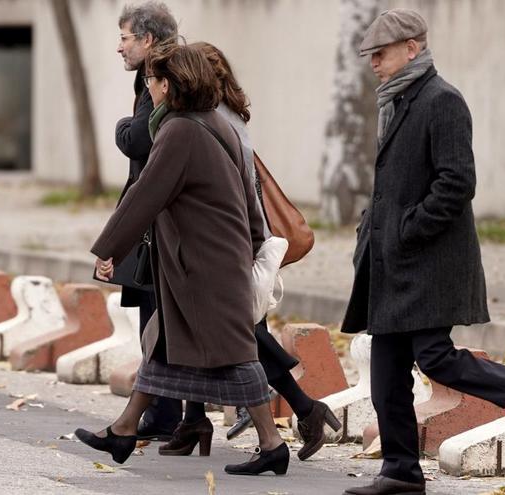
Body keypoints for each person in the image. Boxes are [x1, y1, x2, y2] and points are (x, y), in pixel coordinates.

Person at [340, 9, 505, 495]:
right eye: (369, 56)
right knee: (386, 374)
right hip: (394, 262)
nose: (373, 64)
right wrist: (373, 230)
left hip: (428, 261)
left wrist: (405, 230)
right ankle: (401, 471)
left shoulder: (440, 101)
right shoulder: (397, 103)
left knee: (436, 358)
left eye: (379, 54)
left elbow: (456, 182)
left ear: (413, 48)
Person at [76, 42, 289, 476]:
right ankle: (124, 428)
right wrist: (249, 243)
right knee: (162, 340)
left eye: (151, 81)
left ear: (168, 85)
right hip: (211, 259)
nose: (147, 88)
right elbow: (249, 193)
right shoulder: (212, 122)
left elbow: (145, 196)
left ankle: (272, 443)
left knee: (236, 353)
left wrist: (108, 251)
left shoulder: (179, 131)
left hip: (206, 265)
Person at [153, 41, 340, 463]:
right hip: (220, 244)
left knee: (239, 342)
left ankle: (297, 416)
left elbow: (240, 190)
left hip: (226, 245)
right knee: (205, 333)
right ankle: (194, 418)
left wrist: (250, 243)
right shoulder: (219, 115)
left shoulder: (212, 119)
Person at [112, 1, 182, 441]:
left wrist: (121, 126)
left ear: (147, 40)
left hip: (165, 215)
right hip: (155, 214)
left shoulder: (163, 76)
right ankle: (168, 414)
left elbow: (140, 137)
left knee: (163, 318)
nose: (118, 48)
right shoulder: (150, 75)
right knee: (152, 312)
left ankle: (167, 415)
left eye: (124, 38)